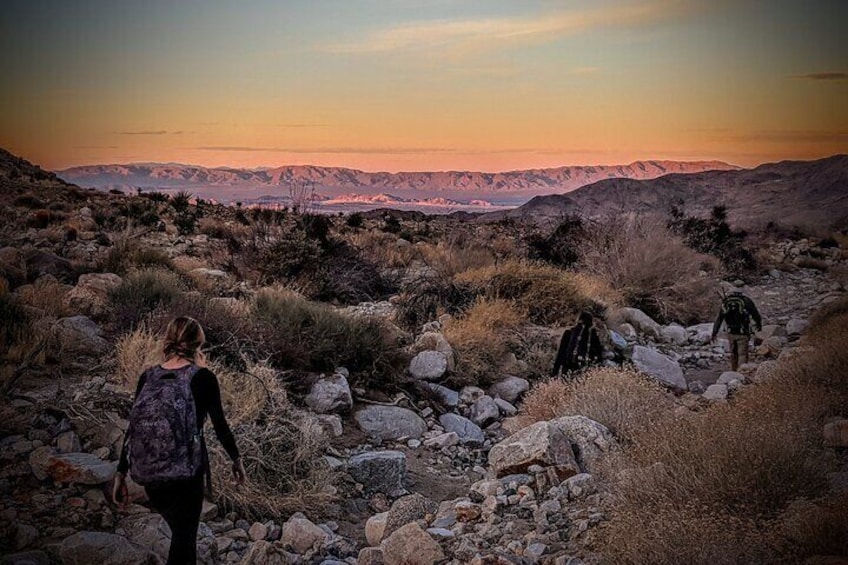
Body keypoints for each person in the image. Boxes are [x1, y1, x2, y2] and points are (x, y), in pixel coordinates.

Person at [113, 317, 246, 565]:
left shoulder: (148, 377)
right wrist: (236, 460)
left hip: (150, 474)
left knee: (179, 534)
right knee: (185, 539)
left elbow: (133, 428)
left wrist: (121, 472)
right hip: (186, 474)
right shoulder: (203, 378)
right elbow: (220, 426)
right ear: (199, 343)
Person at [711, 285, 762, 371]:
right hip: (743, 333)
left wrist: (714, 333)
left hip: (730, 332)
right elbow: (755, 315)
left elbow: (719, 319)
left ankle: (733, 372)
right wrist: (758, 325)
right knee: (742, 354)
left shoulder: (727, 302)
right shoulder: (746, 301)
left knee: (733, 353)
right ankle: (741, 374)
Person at [552, 311, 603, 377]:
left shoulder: (569, 332)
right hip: (583, 369)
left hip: (567, 367)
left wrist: (554, 373)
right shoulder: (593, 335)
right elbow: (598, 354)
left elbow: (560, 353)